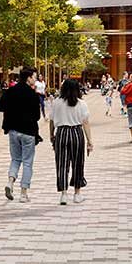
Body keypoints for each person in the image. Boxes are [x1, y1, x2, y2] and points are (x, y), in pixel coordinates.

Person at [0, 66, 43, 201]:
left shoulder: (11, 91)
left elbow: (0, 107)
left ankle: (10, 182)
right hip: (28, 131)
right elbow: (37, 116)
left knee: (15, 159)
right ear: (28, 78)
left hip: (13, 130)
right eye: (34, 77)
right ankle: (23, 193)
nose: (35, 79)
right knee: (27, 162)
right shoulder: (33, 95)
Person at [48, 76, 93, 204]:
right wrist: (90, 141)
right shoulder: (81, 103)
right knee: (78, 163)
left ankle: (63, 194)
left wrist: (52, 135)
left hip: (61, 133)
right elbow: (85, 123)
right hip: (76, 133)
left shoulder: (56, 102)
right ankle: (77, 193)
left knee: (62, 163)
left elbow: (51, 121)